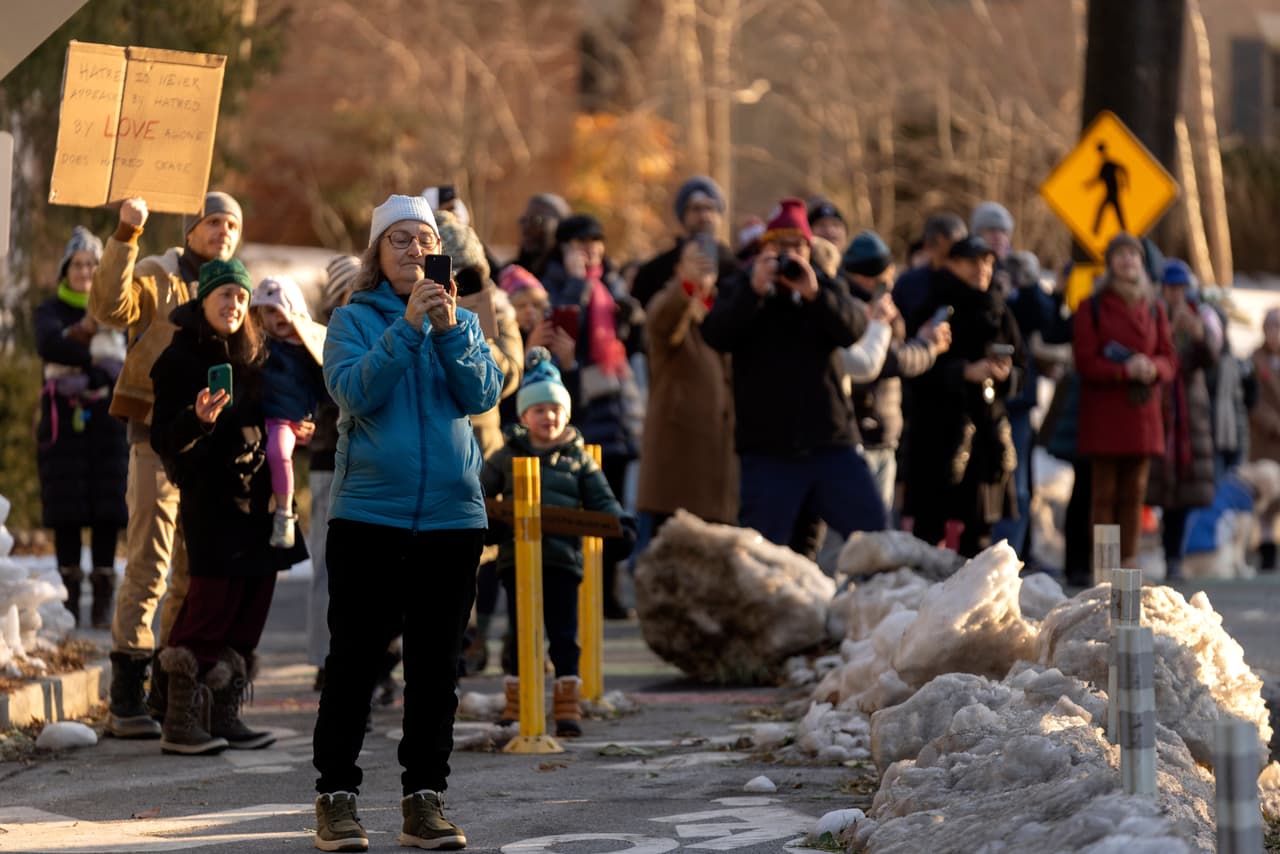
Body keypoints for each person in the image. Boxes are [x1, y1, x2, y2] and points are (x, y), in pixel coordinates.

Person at [312, 194, 502, 853]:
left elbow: (482, 394)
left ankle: (425, 799)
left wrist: (448, 329)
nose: (415, 249)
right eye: (399, 239)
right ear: (375, 254)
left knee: (436, 668)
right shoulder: (353, 320)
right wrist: (407, 329)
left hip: (453, 520)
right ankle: (336, 798)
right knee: (355, 663)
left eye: (425, 238)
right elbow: (354, 393)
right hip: (370, 517)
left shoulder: (463, 323)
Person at [89, 191, 243, 739]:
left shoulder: (234, 289)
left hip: (208, 447)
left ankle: (167, 691)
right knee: (150, 559)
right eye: (212, 220)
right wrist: (126, 234)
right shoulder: (158, 272)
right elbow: (107, 308)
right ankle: (126, 693)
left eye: (231, 223)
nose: (222, 230)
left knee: (190, 569)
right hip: (155, 434)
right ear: (191, 227)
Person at [149, 258, 307, 755]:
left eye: (241, 297)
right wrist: (196, 419)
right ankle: (179, 720)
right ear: (203, 299)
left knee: (250, 607)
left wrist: (296, 428)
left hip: (259, 503)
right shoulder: (178, 359)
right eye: (225, 296)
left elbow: (273, 418)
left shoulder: (257, 354)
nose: (235, 305)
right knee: (209, 607)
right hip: (212, 502)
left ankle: (222, 713)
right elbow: (163, 440)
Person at [701, 198, 884, 549]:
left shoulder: (824, 286)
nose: (789, 255)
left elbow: (853, 329)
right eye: (780, 246)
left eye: (797, 245)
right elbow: (715, 335)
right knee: (762, 555)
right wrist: (754, 290)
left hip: (830, 443)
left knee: (875, 536)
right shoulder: (742, 286)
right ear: (764, 248)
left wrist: (815, 294)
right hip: (770, 450)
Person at [481, 348, 634, 737]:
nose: (548, 417)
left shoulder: (578, 459)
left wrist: (619, 526)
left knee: (564, 635)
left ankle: (567, 706)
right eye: (539, 410)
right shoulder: (506, 455)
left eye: (555, 409)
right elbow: (481, 494)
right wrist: (486, 524)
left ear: (566, 414)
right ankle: (517, 705)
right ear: (524, 416)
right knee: (519, 634)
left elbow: (602, 500)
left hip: (563, 560)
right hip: (517, 561)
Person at [540, 213, 645, 619]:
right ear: (563, 247)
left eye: (596, 243)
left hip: (613, 414)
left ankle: (609, 594)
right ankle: (573, 595)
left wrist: (631, 317)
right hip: (575, 412)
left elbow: (631, 343)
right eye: (581, 243)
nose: (590, 251)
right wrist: (579, 284)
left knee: (609, 509)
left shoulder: (611, 285)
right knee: (572, 511)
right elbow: (559, 328)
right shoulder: (554, 285)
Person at [435, 209, 524, 676]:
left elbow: (510, 372)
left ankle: (467, 641)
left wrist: (470, 339)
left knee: (476, 556)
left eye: (463, 270)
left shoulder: (498, 307)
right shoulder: (409, 304)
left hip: (479, 447)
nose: (456, 279)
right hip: (428, 443)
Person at [903, 236, 1025, 557]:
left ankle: (973, 601)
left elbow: (1023, 368)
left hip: (987, 430)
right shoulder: (935, 306)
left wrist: (1005, 374)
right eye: (973, 262)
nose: (981, 270)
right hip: (939, 430)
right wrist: (962, 371)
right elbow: (913, 367)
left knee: (981, 531)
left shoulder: (999, 309)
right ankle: (921, 601)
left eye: (987, 262)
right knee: (929, 530)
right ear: (952, 264)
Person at [35, 226, 128, 628]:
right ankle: (69, 603)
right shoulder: (49, 311)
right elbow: (50, 345)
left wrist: (83, 351)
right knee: (67, 512)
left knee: (107, 511)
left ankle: (103, 601)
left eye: (93, 264)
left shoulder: (118, 312)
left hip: (107, 427)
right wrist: (96, 354)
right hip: (64, 429)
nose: (86, 271)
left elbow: (126, 359)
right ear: (65, 270)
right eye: (79, 264)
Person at [1072, 234, 1176, 570]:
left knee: (1134, 496)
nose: (1128, 260)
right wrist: (1123, 370)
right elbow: (1085, 361)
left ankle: (1128, 567)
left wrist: (1152, 367)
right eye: (1121, 255)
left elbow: (1169, 359)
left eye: (1134, 254)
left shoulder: (1155, 308)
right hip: (1105, 415)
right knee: (1103, 495)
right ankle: (1104, 568)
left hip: (1142, 414)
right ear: (1110, 263)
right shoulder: (1093, 307)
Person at [635, 239, 738, 544]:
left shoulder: (727, 311)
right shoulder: (671, 305)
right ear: (679, 268)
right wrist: (687, 286)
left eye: (708, 262)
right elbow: (663, 323)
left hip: (719, 472)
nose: (702, 268)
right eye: (694, 261)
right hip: (677, 471)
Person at [840, 230, 950, 512]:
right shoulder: (852, 310)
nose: (891, 283)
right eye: (886, 276)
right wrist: (928, 348)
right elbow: (891, 361)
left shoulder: (879, 308)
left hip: (883, 435)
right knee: (861, 539)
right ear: (869, 278)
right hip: (862, 436)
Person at [307, 254, 361, 691]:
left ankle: (374, 659)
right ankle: (325, 658)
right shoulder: (317, 337)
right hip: (329, 457)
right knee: (329, 564)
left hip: (368, 458)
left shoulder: (376, 324)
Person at [1147, 259, 1218, 579]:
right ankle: (1158, 548)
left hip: (1189, 413)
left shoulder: (1200, 315)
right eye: (1171, 287)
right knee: (1157, 483)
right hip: (1159, 407)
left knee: (1186, 486)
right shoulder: (1152, 312)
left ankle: (1174, 555)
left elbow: (1211, 358)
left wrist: (1198, 334)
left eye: (1181, 287)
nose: (1176, 293)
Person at [248, 275, 327, 550]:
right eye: (268, 311)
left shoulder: (309, 348)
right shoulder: (261, 346)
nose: (276, 317)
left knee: (278, 453)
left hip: (286, 421)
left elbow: (324, 389)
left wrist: (311, 419)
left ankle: (285, 514)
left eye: (281, 309)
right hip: (260, 418)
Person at [990, 251, 1056, 564]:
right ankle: (983, 558)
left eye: (1003, 232)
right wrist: (995, 294)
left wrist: (1029, 286)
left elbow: (1049, 322)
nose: (998, 239)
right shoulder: (977, 283)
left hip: (1019, 402)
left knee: (1019, 488)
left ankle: (1010, 562)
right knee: (987, 483)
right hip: (982, 401)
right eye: (990, 231)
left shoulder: (1023, 288)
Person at [631, 176, 739, 309]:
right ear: (684, 214)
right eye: (696, 208)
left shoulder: (734, 268)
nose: (704, 215)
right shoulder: (655, 271)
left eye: (710, 208)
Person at [893, 211, 967, 326]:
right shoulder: (909, 284)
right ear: (928, 248)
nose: (952, 262)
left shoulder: (973, 282)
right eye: (946, 256)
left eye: (958, 255)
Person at [1249, 308, 1280, 572]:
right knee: (1267, 501)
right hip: (1265, 442)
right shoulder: (1255, 360)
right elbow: (1252, 401)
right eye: (1272, 328)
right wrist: (1274, 423)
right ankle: (1266, 552)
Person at [509, 193, 571, 279]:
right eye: (524, 220)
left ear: (561, 226)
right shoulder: (514, 270)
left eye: (537, 221)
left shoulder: (567, 276)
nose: (526, 228)